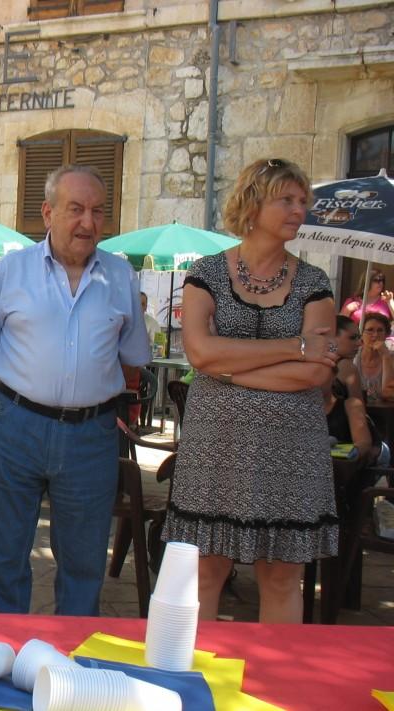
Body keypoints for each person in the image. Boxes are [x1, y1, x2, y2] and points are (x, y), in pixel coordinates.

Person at [0, 164, 150, 616]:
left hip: (90, 437)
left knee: (84, 564)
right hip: (15, 429)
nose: (88, 222)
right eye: (76, 209)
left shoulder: (121, 277)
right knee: (4, 558)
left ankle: (70, 674)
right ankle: (3, 662)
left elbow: (132, 358)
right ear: (47, 213)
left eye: (98, 211)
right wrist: (14, 402)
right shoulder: (10, 271)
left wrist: (84, 395)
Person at [161, 158, 339, 624]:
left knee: (282, 578)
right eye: (287, 199)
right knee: (204, 572)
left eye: (303, 201)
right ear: (254, 203)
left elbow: (316, 374)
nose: (299, 210)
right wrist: (294, 347)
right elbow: (200, 353)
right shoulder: (207, 273)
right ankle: (196, 684)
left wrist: (230, 369)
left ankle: (272, 688)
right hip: (217, 448)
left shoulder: (315, 282)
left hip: (292, 451)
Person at [355, 312, 394, 402]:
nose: (375, 335)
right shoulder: (353, 356)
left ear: (386, 334)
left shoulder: (391, 358)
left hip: (385, 412)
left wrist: (385, 357)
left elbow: (388, 395)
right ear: (361, 333)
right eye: (370, 330)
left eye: (380, 330)